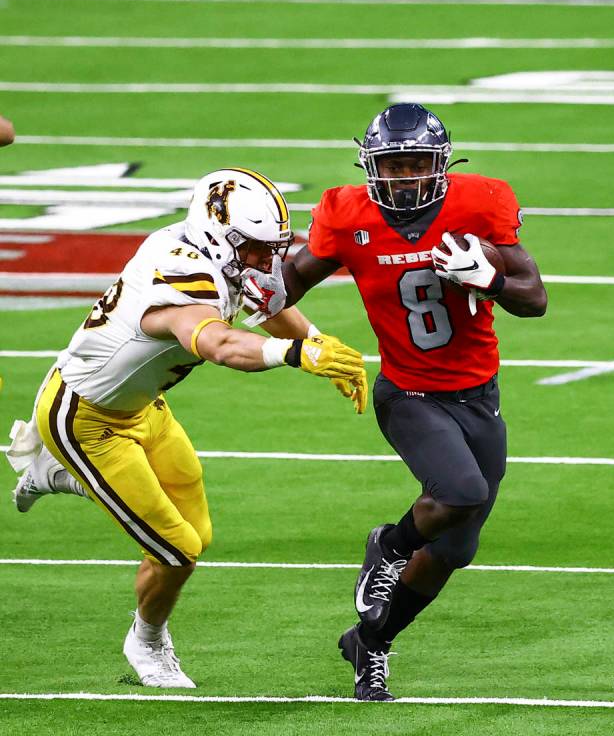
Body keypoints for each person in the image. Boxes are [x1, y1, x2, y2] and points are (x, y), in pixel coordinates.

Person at [7, 167, 367, 689]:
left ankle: (55, 475)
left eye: (272, 248)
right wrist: (296, 353)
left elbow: (269, 306)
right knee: (176, 548)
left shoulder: (219, 255)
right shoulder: (178, 273)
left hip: (143, 407)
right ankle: (147, 643)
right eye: (254, 249)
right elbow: (219, 344)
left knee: (198, 532)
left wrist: (321, 342)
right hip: (85, 419)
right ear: (218, 234)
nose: (266, 261)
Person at [281, 103, 548, 701]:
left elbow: (536, 299)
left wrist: (492, 281)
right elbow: (287, 282)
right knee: (460, 492)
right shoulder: (347, 214)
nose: (404, 177)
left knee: (456, 547)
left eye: (415, 163)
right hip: (409, 393)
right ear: (373, 168)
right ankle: (391, 546)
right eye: (393, 166)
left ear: (441, 164)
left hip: (478, 396)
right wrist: (237, 283)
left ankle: (370, 642)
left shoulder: (478, 205)